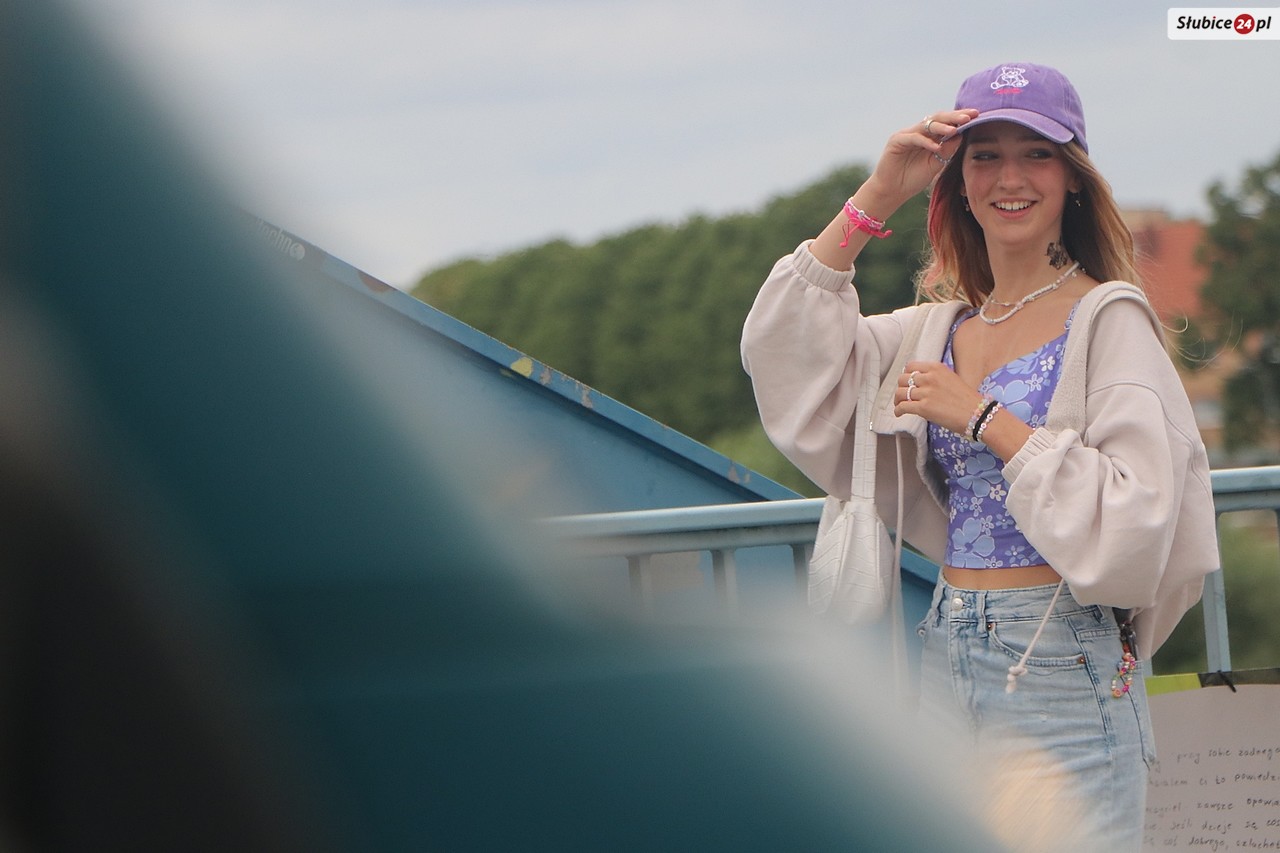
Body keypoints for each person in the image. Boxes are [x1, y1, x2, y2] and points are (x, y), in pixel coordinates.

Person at [740, 62, 1220, 849]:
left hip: (1061, 655)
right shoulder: (936, 330)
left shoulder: (1108, 319)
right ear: (958, 181)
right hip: (946, 646)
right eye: (985, 155)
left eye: (1037, 154)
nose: (1010, 177)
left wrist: (984, 417)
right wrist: (879, 194)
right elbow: (783, 351)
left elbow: (1141, 512)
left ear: (1073, 177)